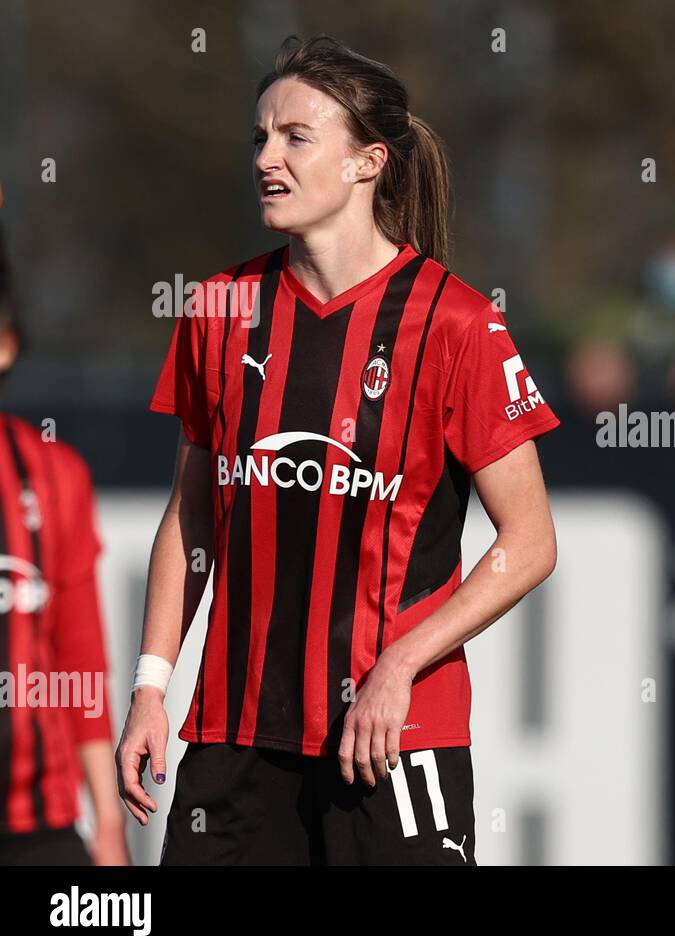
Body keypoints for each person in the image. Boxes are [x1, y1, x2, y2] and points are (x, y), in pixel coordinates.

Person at [115, 36, 559, 865]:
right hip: (234, 733)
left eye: (295, 137)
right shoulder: (220, 308)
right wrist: (150, 689)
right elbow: (192, 522)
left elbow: (530, 543)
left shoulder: (457, 324)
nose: (266, 159)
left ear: (368, 163)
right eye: (259, 138)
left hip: (391, 735)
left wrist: (398, 665)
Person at [0, 212, 127, 865]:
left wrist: (107, 823)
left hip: (39, 828)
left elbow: (79, 661)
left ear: (7, 345)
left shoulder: (52, 474)